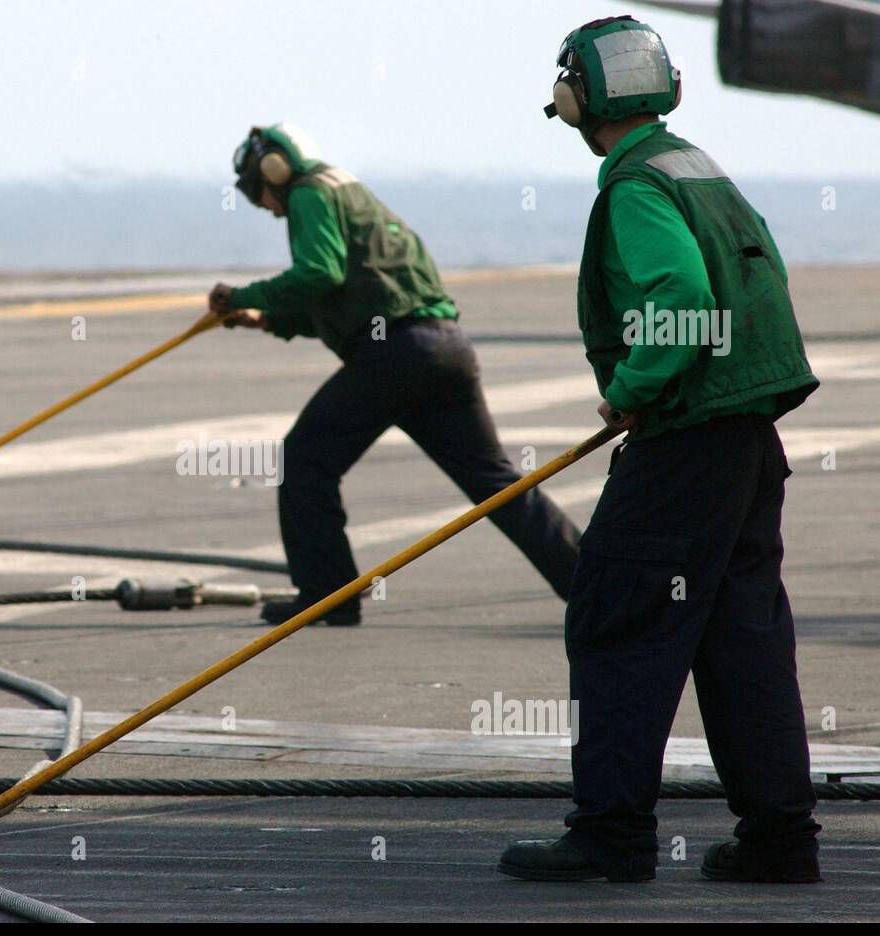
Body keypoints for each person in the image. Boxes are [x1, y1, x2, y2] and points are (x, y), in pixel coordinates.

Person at [498, 16, 822, 883]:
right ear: (666, 88)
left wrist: (632, 388)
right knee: (742, 639)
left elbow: (681, 288)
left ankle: (610, 833)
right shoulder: (700, 167)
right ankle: (781, 840)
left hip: (684, 448)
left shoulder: (637, 185)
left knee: (617, 618)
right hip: (749, 441)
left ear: (577, 97)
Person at [209, 123, 581, 627]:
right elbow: (346, 297)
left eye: (260, 194)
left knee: (306, 458)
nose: (267, 207)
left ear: (275, 171)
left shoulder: (307, 194)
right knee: (498, 484)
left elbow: (320, 273)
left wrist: (242, 296)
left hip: (397, 357)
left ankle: (328, 595)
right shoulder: (351, 194)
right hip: (445, 349)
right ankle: (593, 587)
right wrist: (268, 319)